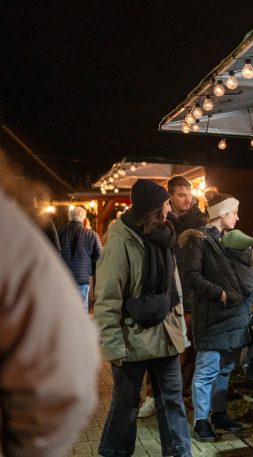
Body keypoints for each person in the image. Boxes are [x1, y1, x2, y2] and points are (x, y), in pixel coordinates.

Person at [0, 153, 99, 457]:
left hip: (64, 280)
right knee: (77, 316)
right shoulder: (19, 230)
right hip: (73, 283)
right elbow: (65, 373)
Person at [94, 179, 192, 457]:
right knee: (125, 405)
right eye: (165, 202)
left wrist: (179, 332)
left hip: (166, 337)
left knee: (172, 401)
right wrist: (113, 346)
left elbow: (175, 289)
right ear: (154, 207)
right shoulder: (121, 241)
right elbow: (107, 299)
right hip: (132, 340)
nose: (169, 206)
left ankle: (180, 453)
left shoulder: (164, 235)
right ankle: (114, 452)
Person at [182, 190, 252, 442]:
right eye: (234, 211)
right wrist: (219, 293)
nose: (237, 217)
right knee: (207, 370)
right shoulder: (199, 239)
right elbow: (191, 276)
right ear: (221, 213)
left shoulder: (226, 240)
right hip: (212, 318)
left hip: (231, 317)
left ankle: (218, 412)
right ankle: (201, 420)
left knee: (224, 368)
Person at [139, 176, 207, 418]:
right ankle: (152, 395)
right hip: (164, 293)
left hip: (189, 294)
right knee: (160, 348)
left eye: (189, 194)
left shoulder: (200, 221)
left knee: (188, 349)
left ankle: (182, 394)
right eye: (181, 195)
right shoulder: (159, 221)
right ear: (170, 197)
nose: (187, 199)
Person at [57, 205, 102, 312]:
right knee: (81, 314)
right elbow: (100, 258)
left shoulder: (59, 232)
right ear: (84, 219)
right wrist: (91, 271)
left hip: (62, 278)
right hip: (82, 279)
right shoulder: (92, 235)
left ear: (69, 218)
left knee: (63, 313)